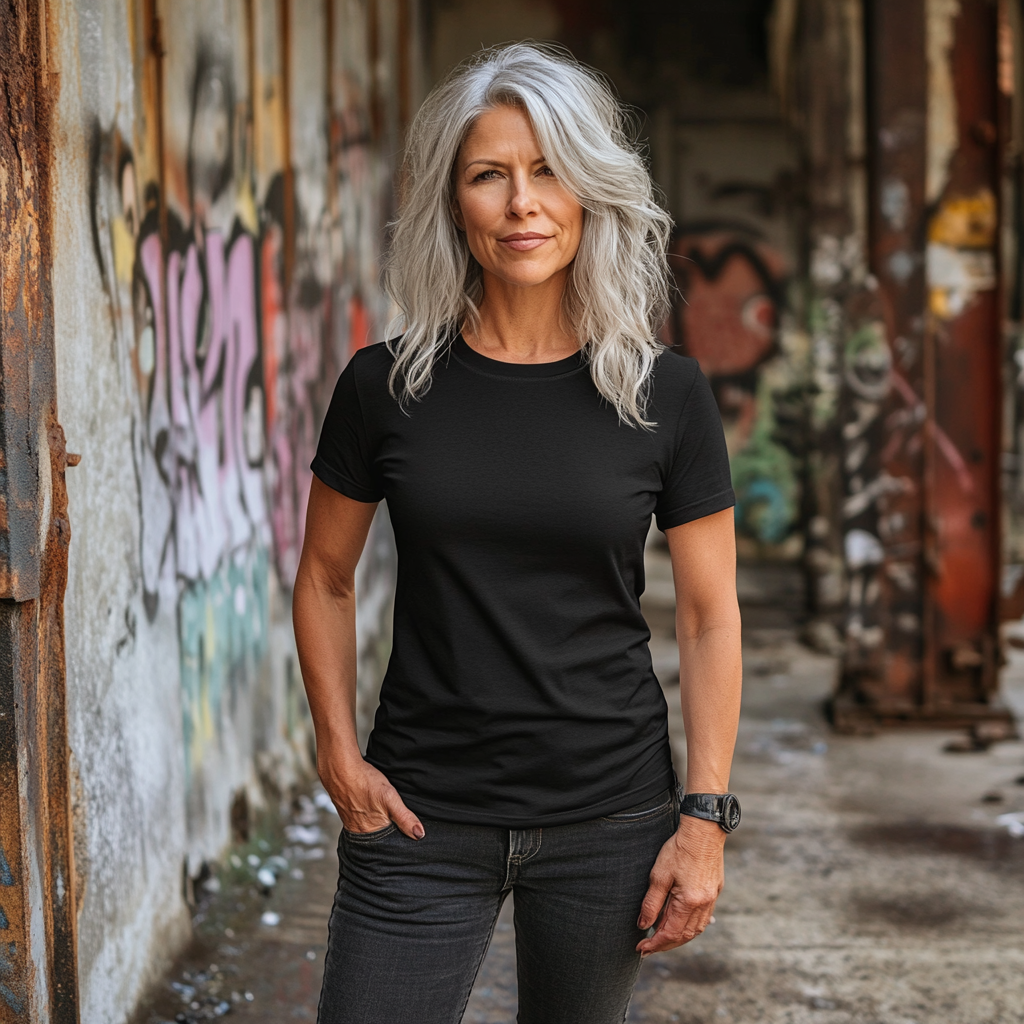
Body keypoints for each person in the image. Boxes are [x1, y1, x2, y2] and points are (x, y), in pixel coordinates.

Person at [293, 42, 742, 1024]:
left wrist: (703, 820)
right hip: (416, 816)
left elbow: (710, 616)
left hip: (610, 819)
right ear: (454, 201)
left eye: (548, 171)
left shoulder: (664, 394)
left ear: (590, 190)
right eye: (488, 175)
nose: (521, 202)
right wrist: (334, 750)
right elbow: (325, 577)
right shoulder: (386, 385)